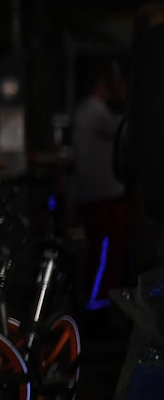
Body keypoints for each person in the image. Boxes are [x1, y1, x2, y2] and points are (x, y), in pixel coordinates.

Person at [73, 59, 129, 301]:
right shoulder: (93, 110)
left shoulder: (93, 110)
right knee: (106, 252)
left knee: (106, 252)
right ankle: (97, 304)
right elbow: (124, 132)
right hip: (100, 195)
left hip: (99, 194)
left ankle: (98, 302)